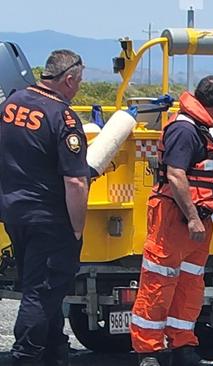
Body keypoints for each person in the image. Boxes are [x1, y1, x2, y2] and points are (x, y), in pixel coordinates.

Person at [130, 75, 213, 366]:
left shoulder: (200, 126)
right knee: (158, 285)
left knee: (189, 287)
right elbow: (175, 175)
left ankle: (182, 347)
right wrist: (193, 218)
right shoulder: (184, 130)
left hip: (196, 220)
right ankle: (149, 353)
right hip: (176, 219)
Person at [0, 50, 89, 366]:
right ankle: (25, 357)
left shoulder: (12, 104)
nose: (78, 89)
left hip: (15, 214)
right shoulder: (62, 117)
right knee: (41, 292)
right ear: (68, 79)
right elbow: (76, 183)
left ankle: (54, 351)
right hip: (50, 220)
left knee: (42, 289)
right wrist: (77, 228)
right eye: (78, 82)